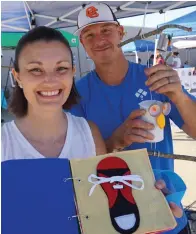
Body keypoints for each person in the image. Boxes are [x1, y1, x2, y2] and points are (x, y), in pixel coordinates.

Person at [70, 3, 196, 233]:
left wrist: (179, 96)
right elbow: (76, 168)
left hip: (166, 213)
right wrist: (115, 142)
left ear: (121, 32)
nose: (99, 39)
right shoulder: (75, 95)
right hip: (111, 220)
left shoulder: (154, 79)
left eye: (106, 30)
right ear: (83, 44)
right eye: (89, 34)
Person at [1, 26, 106, 162]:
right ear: (18, 77)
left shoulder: (90, 135)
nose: (50, 80)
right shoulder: (4, 143)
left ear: (72, 73)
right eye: (36, 69)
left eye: (61, 68)